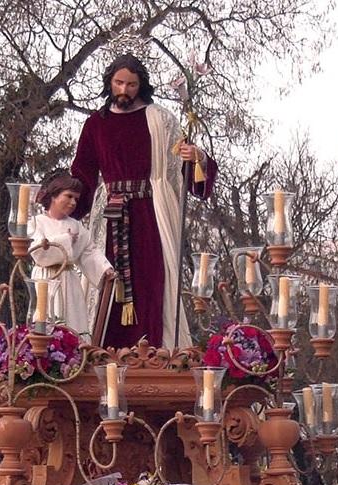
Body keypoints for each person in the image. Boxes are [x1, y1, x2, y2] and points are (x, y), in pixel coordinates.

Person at [71, 53, 217, 350]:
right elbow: (83, 176)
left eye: (131, 84)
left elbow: (183, 167)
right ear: (109, 82)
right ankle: (102, 354)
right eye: (119, 83)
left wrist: (197, 158)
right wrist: (63, 205)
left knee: (152, 285)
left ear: (142, 85)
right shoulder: (96, 125)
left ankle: (157, 355)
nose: (124, 90)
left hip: (149, 217)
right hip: (109, 219)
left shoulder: (160, 119)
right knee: (104, 282)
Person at [30, 173, 114, 339]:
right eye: (68, 196)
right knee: (45, 323)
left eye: (76, 198)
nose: (73, 203)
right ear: (54, 196)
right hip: (45, 279)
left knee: (74, 324)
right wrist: (66, 240)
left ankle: (74, 358)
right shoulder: (37, 222)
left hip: (69, 280)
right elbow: (38, 251)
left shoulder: (75, 225)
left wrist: (105, 269)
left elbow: (88, 251)